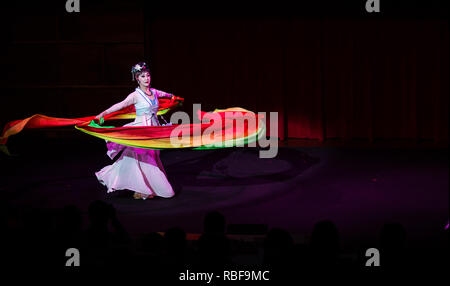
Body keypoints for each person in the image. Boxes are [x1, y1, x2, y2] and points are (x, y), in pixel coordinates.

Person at [94, 62, 176, 200]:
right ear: (137, 78)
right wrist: (102, 114)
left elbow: (166, 94)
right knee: (144, 159)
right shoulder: (135, 95)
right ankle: (147, 188)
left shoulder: (154, 92)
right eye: (142, 76)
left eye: (148, 75)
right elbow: (120, 105)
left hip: (153, 130)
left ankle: (143, 188)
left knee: (142, 159)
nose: (146, 78)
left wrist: (173, 97)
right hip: (140, 132)